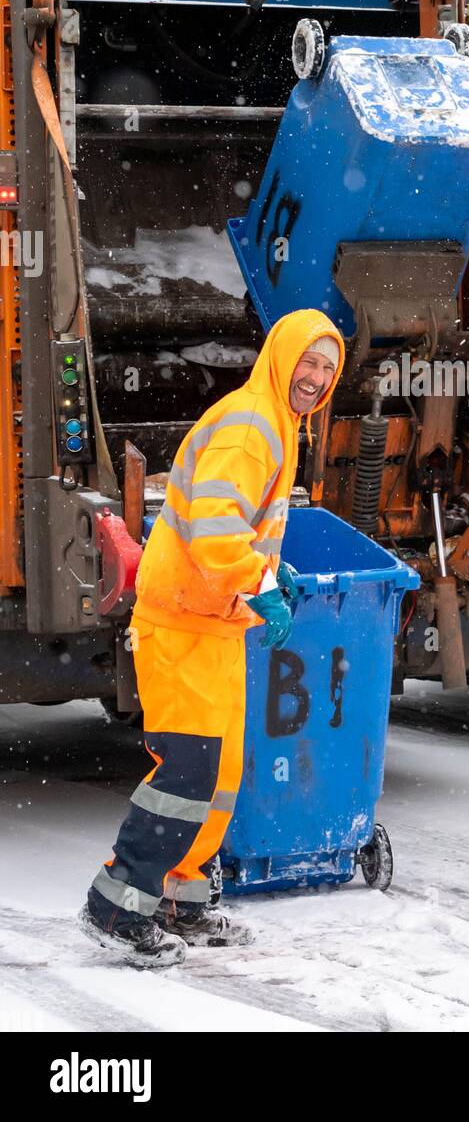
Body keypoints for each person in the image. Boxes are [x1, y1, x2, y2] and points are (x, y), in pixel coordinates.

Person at [79, 310, 344, 965]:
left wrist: (265, 567)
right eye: (308, 362)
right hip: (181, 621)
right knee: (189, 771)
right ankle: (116, 905)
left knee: (220, 776)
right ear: (283, 358)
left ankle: (182, 899)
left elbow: (230, 519)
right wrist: (260, 580)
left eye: (328, 368)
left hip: (214, 620)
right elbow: (213, 520)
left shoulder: (279, 423)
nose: (315, 377)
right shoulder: (254, 423)